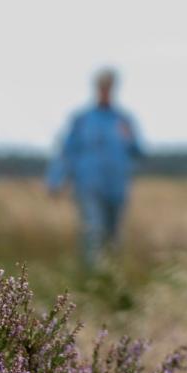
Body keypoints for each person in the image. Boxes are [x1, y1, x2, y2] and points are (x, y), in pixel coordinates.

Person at [47, 69, 142, 268]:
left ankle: (111, 277)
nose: (105, 91)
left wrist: (129, 138)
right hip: (88, 185)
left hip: (116, 188)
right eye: (102, 87)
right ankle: (92, 275)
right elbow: (67, 151)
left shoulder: (123, 120)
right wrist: (56, 180)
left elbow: (138, 151)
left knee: (113, 235)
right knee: (93, 230)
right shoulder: (82, 119)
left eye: (109, 87)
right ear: (96, 88)